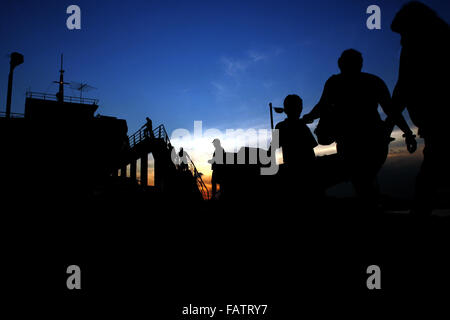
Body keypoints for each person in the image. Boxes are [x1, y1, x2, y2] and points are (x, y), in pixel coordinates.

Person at [303, 49, 416, 206]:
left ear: (340, 64)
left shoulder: (336, 82)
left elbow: (322, 106)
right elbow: (391, 110)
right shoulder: (372, 81)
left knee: (362, 181)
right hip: (371, 142)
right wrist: (408, 133)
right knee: (364, 181)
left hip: (357, 142)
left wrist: (307, 118)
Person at [390, 1, 450, 215]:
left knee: (427, 180)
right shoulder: (435, 38)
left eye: (403, 33)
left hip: (439, 125)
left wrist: (389, 124)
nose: (401, 39)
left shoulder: (416, 46)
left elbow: (403, 88)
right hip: (434, 127)